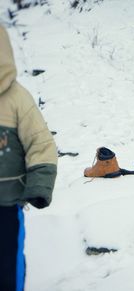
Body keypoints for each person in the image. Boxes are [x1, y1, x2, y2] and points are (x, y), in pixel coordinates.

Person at [0, 25, 58, 291]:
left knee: (8, 265)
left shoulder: (16, 99)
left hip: (8, 203)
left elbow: (41, 143)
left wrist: (39, 185)